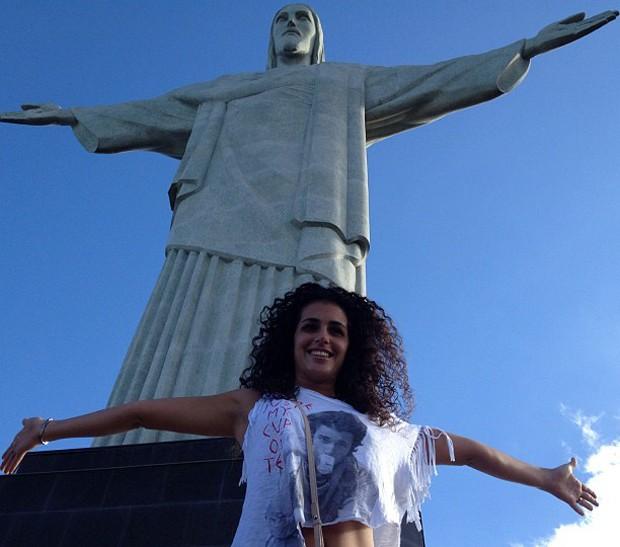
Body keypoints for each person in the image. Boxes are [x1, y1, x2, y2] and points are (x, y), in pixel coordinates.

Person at [1, 6, 617, 446]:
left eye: (303, 20)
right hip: (214, 223)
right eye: (282, 20)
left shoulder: (344, 83)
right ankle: (139, 460)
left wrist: (525, 47)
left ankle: (303, 446)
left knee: (319, 331)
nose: (292, 28)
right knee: (191, 329)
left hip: (310, 227)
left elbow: (431, 82)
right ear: (270, 38)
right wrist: (71, 114)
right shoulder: (226, 91)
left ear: (318, 39)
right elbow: (149, 112)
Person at [1, 283, 599, 547]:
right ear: (290, 339)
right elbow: (137, 412)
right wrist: (48, 430)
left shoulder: (385, 427)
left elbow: (469, 452)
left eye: (335, 331)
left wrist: (547, 478)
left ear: (351, 345)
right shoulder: (256, 407)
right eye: (310, 327)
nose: (322, 338)